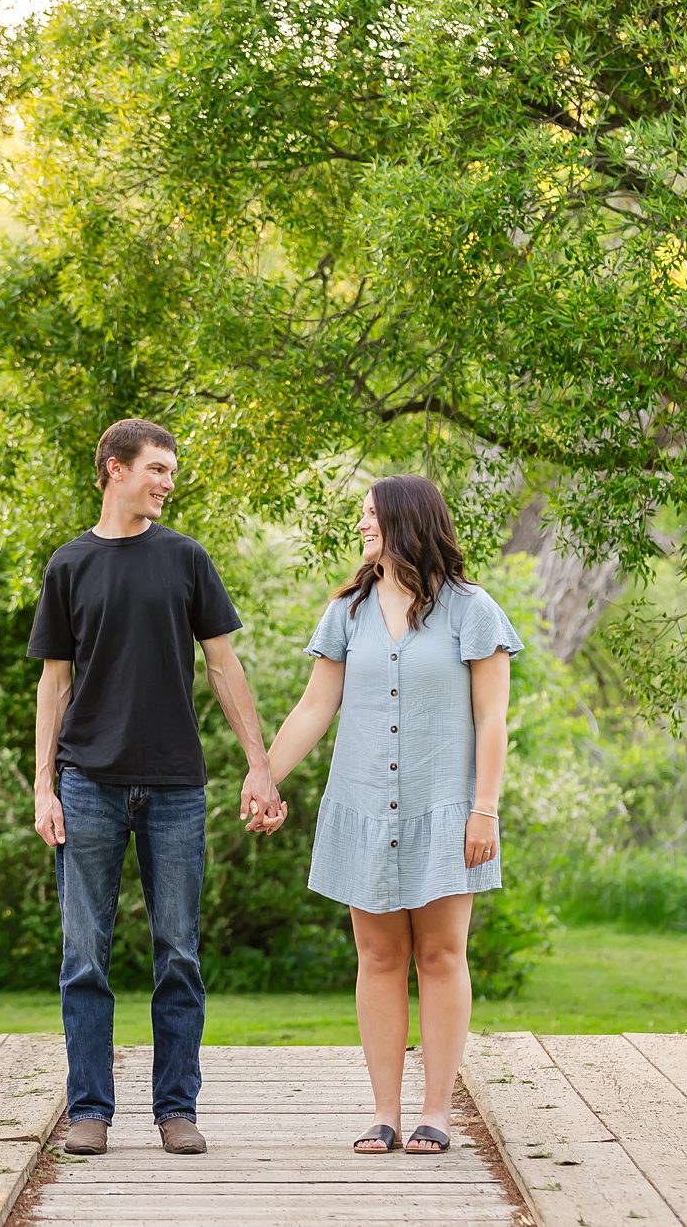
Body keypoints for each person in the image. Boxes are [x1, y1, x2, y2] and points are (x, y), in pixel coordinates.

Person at [28, 418, 284, 1158]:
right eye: (157, 468)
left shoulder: (186, 558)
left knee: (178, 952)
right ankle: (89, 1112)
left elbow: (224, 666)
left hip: (175, 785)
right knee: (85, 955)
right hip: (87, 786)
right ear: (115, 468)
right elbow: (53, 681)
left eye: (172, 471)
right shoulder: (69, 564)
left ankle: (177, 1108)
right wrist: (44, 785)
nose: (168, 482)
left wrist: (259, 761)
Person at [263, 474, 522, 1155]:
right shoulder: (346, 612)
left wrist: (485, 809)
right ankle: (384, 1112)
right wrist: (264, 773)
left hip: (447, 807)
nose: (361, 526)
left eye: (370, 515)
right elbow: (316, 707)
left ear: (406, 521)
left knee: (440, 954)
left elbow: (492, 717)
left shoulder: (473, 610)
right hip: (365, 807)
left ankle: (435, 1112)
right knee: (378, 955)